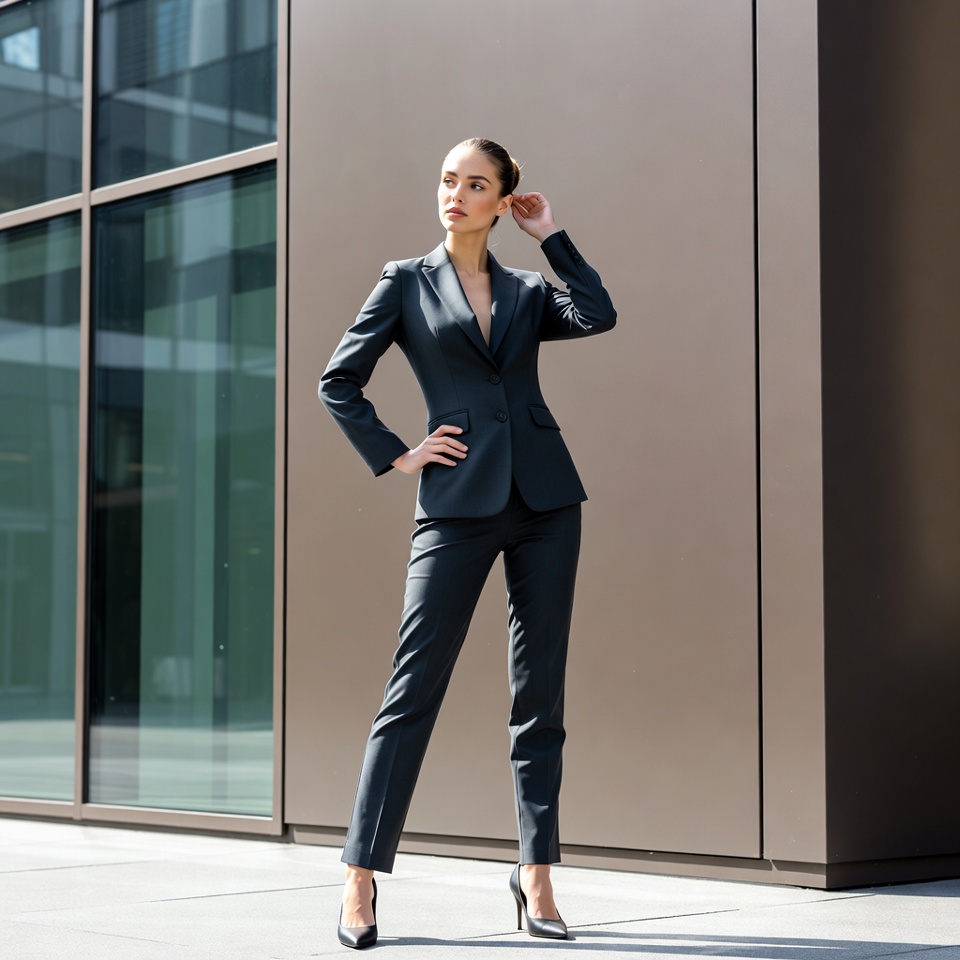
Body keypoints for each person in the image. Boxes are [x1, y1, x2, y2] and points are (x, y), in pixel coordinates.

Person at [319, 137, 616, 948]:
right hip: (455, 505)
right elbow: (337, 380)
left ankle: (537, 873)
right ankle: (360, 877)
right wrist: (398, 453)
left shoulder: (525, 288)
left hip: (549, 500)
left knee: (538, 695)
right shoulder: (404, 283)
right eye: (449, 179)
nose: (455, 193)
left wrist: (549, 236)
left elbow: (597, 312)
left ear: (500, 199)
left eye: (475, 184)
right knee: (411, 691)